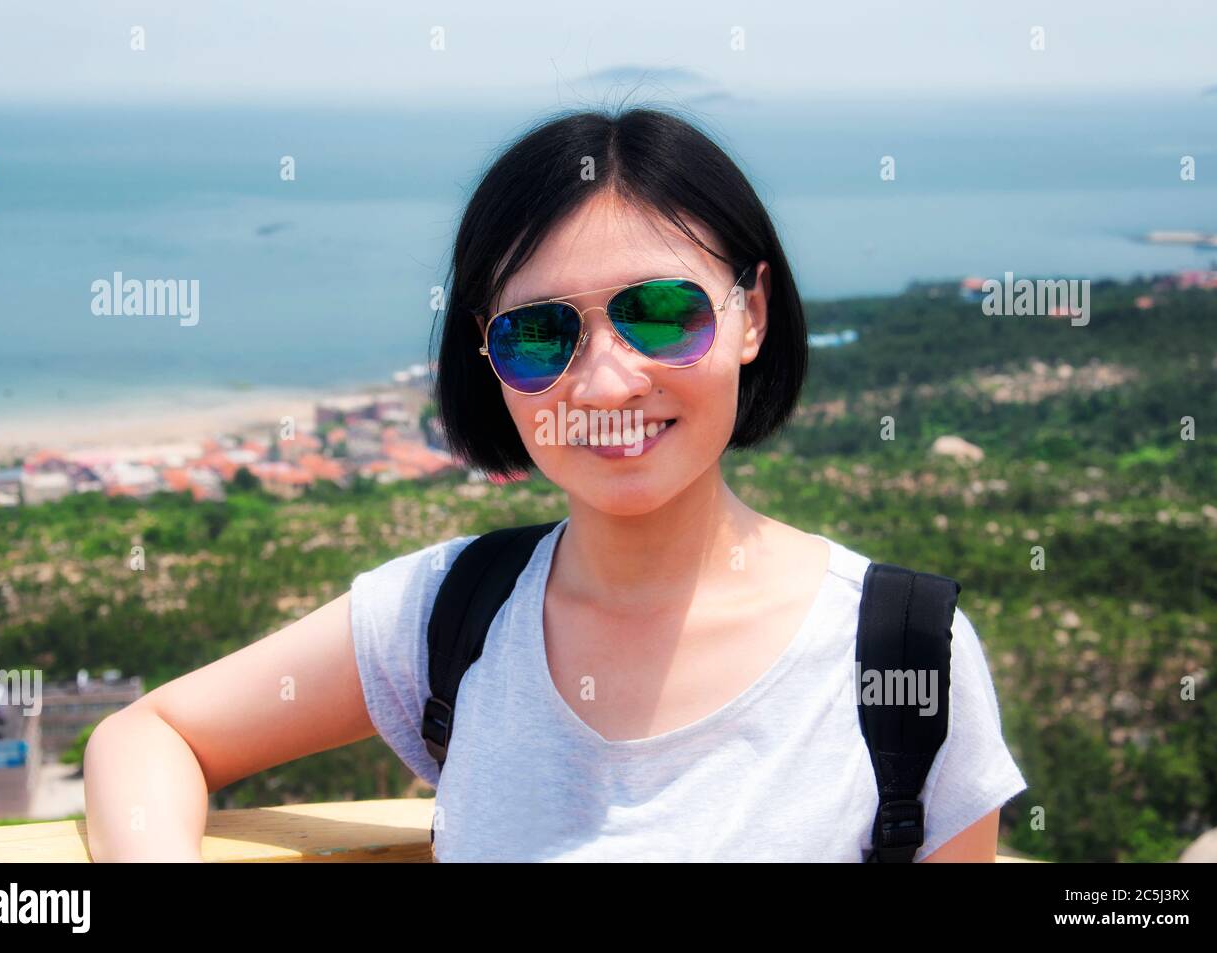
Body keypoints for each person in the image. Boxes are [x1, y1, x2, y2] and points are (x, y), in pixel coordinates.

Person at [83, 106, 1026, 862]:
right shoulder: (448, 613)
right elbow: (148, 733)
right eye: (540, 333)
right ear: (489, 359)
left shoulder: (901, 654)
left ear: (752, 315)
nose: (608, 380)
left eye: (661, 313)